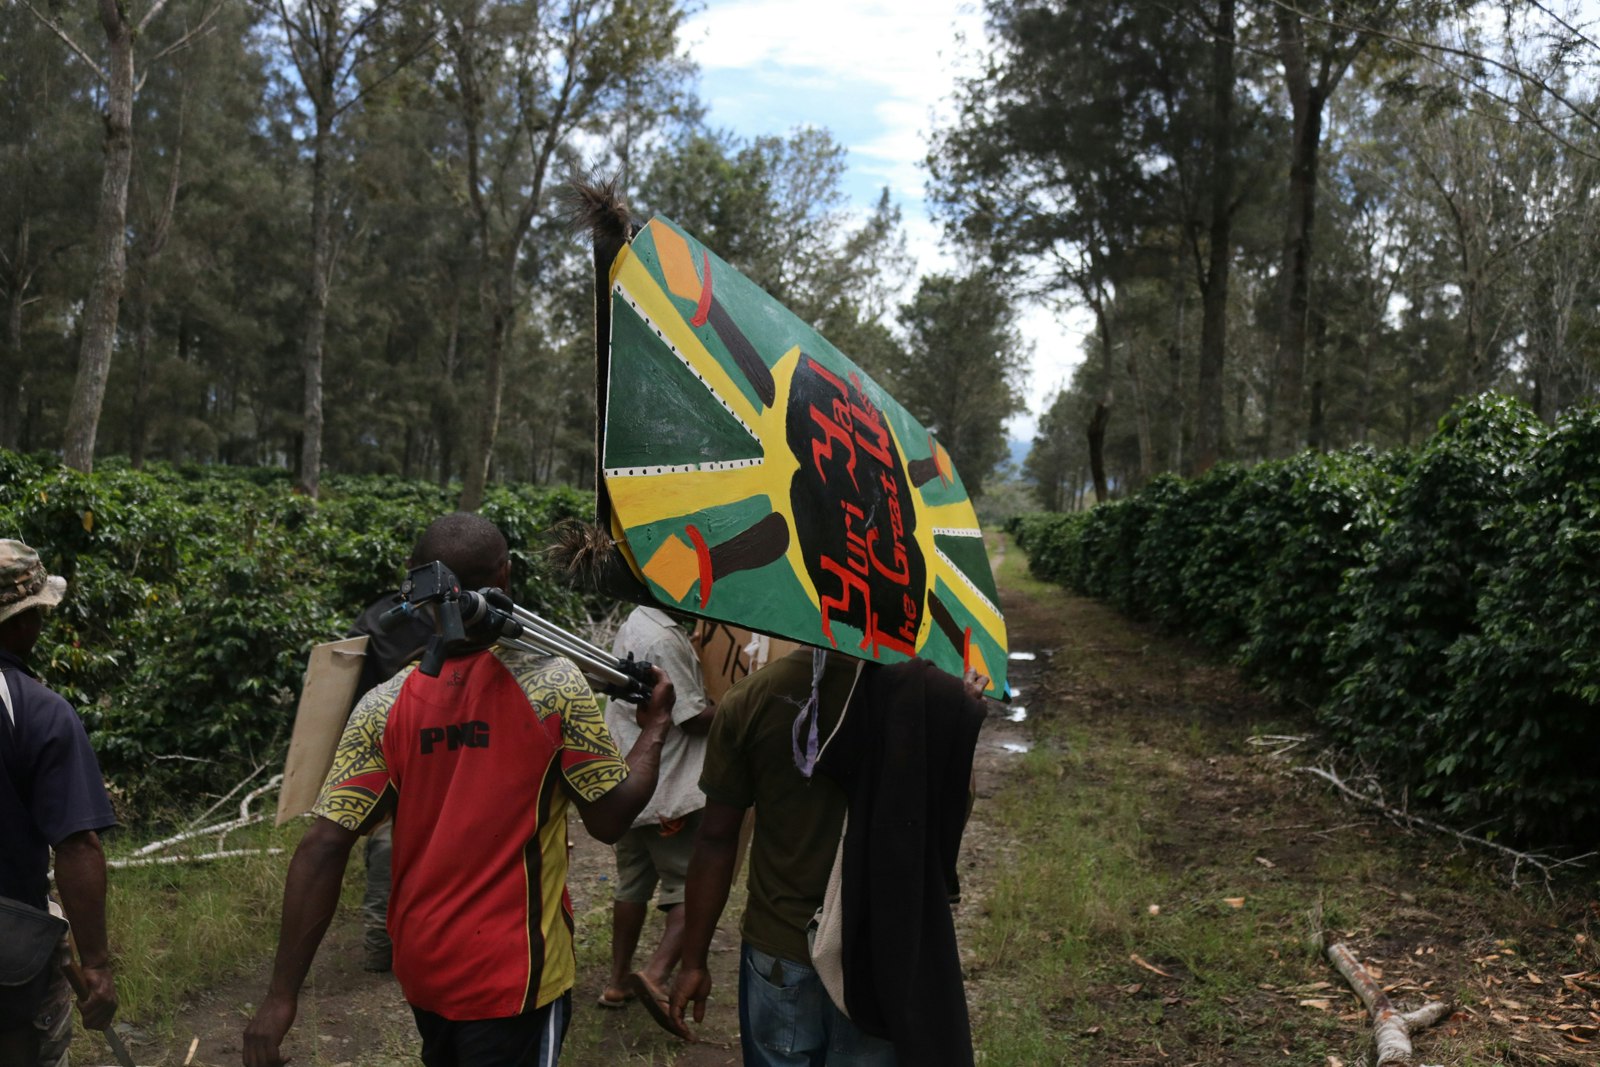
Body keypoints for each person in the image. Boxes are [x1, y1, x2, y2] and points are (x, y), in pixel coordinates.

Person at [243, 513, 677, 1067]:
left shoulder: (383, 706)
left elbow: (323, 845)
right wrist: (657, 726)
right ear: (506, 575)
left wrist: (281, 997)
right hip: (517, 975)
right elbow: (610, 820)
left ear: (417, 588)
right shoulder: (553, 687)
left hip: (424, 969)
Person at [667, 648, 987, 1066]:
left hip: (779, 949)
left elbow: (716, 838)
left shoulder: (754, 696)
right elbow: (946, 824)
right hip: (876, 951)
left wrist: (693, 960)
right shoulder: (927, 699)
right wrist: (958, 723)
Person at [0, 540, 118, 1066]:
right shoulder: (39, 712)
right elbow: (76, 846)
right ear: (23, 622)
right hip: (10, 955)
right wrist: (96, 965)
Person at [597, 606, 715, 1031]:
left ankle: (616, 982)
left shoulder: (636, 620)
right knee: (693, 886)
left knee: (632, 884)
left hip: (630, 781)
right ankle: (656, 974)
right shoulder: (664, 639)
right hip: (667, 786)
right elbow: (694, 718)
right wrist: (743, 706)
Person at [343, 571, 434, 974]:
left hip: (386, 730)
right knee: (392, 843)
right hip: (407, 730)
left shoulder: (378, 613)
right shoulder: (451, 607)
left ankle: (386, 940)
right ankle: (387, 940)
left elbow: (350, 680)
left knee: (387, 842)